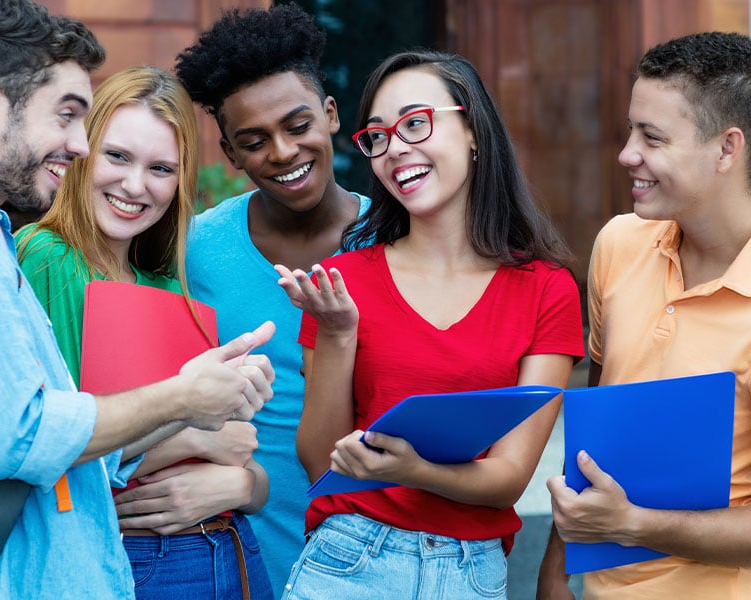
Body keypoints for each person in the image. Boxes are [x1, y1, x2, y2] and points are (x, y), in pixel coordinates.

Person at [0, 1, 274, 598]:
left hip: (222, 548)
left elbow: (240, 461)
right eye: (115, 154)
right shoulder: (32, 252)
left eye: (161, 168)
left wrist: (245, 481)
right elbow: (35, 447)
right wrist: (192, 424)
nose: (134, 184)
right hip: (131, 556)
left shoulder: (166, 278)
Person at [275, 49, 584, 599]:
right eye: (377, 136)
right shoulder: (344, 280)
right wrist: (338, 332)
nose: (395, 149)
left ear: (473, 132)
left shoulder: (546, 288)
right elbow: (321, 462)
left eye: (415, 123)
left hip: (472, 574)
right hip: (348, 560)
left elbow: (508, 479)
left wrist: (416, 470)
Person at [537, 31, 751, 600]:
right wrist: (558, 569)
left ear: (727, 149)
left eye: (651, 137)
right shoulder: (619, 244)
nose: (627, 153)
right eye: (631, 130)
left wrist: (633, 524)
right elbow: (598, 429)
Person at [175, 4, 370, 593]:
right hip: (241, 557)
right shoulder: (198, 250)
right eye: (254, 141)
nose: (282, 152)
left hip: (377, 557)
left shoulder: (400, 236)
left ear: (331, 115)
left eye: (297, 125)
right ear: (230, 155)